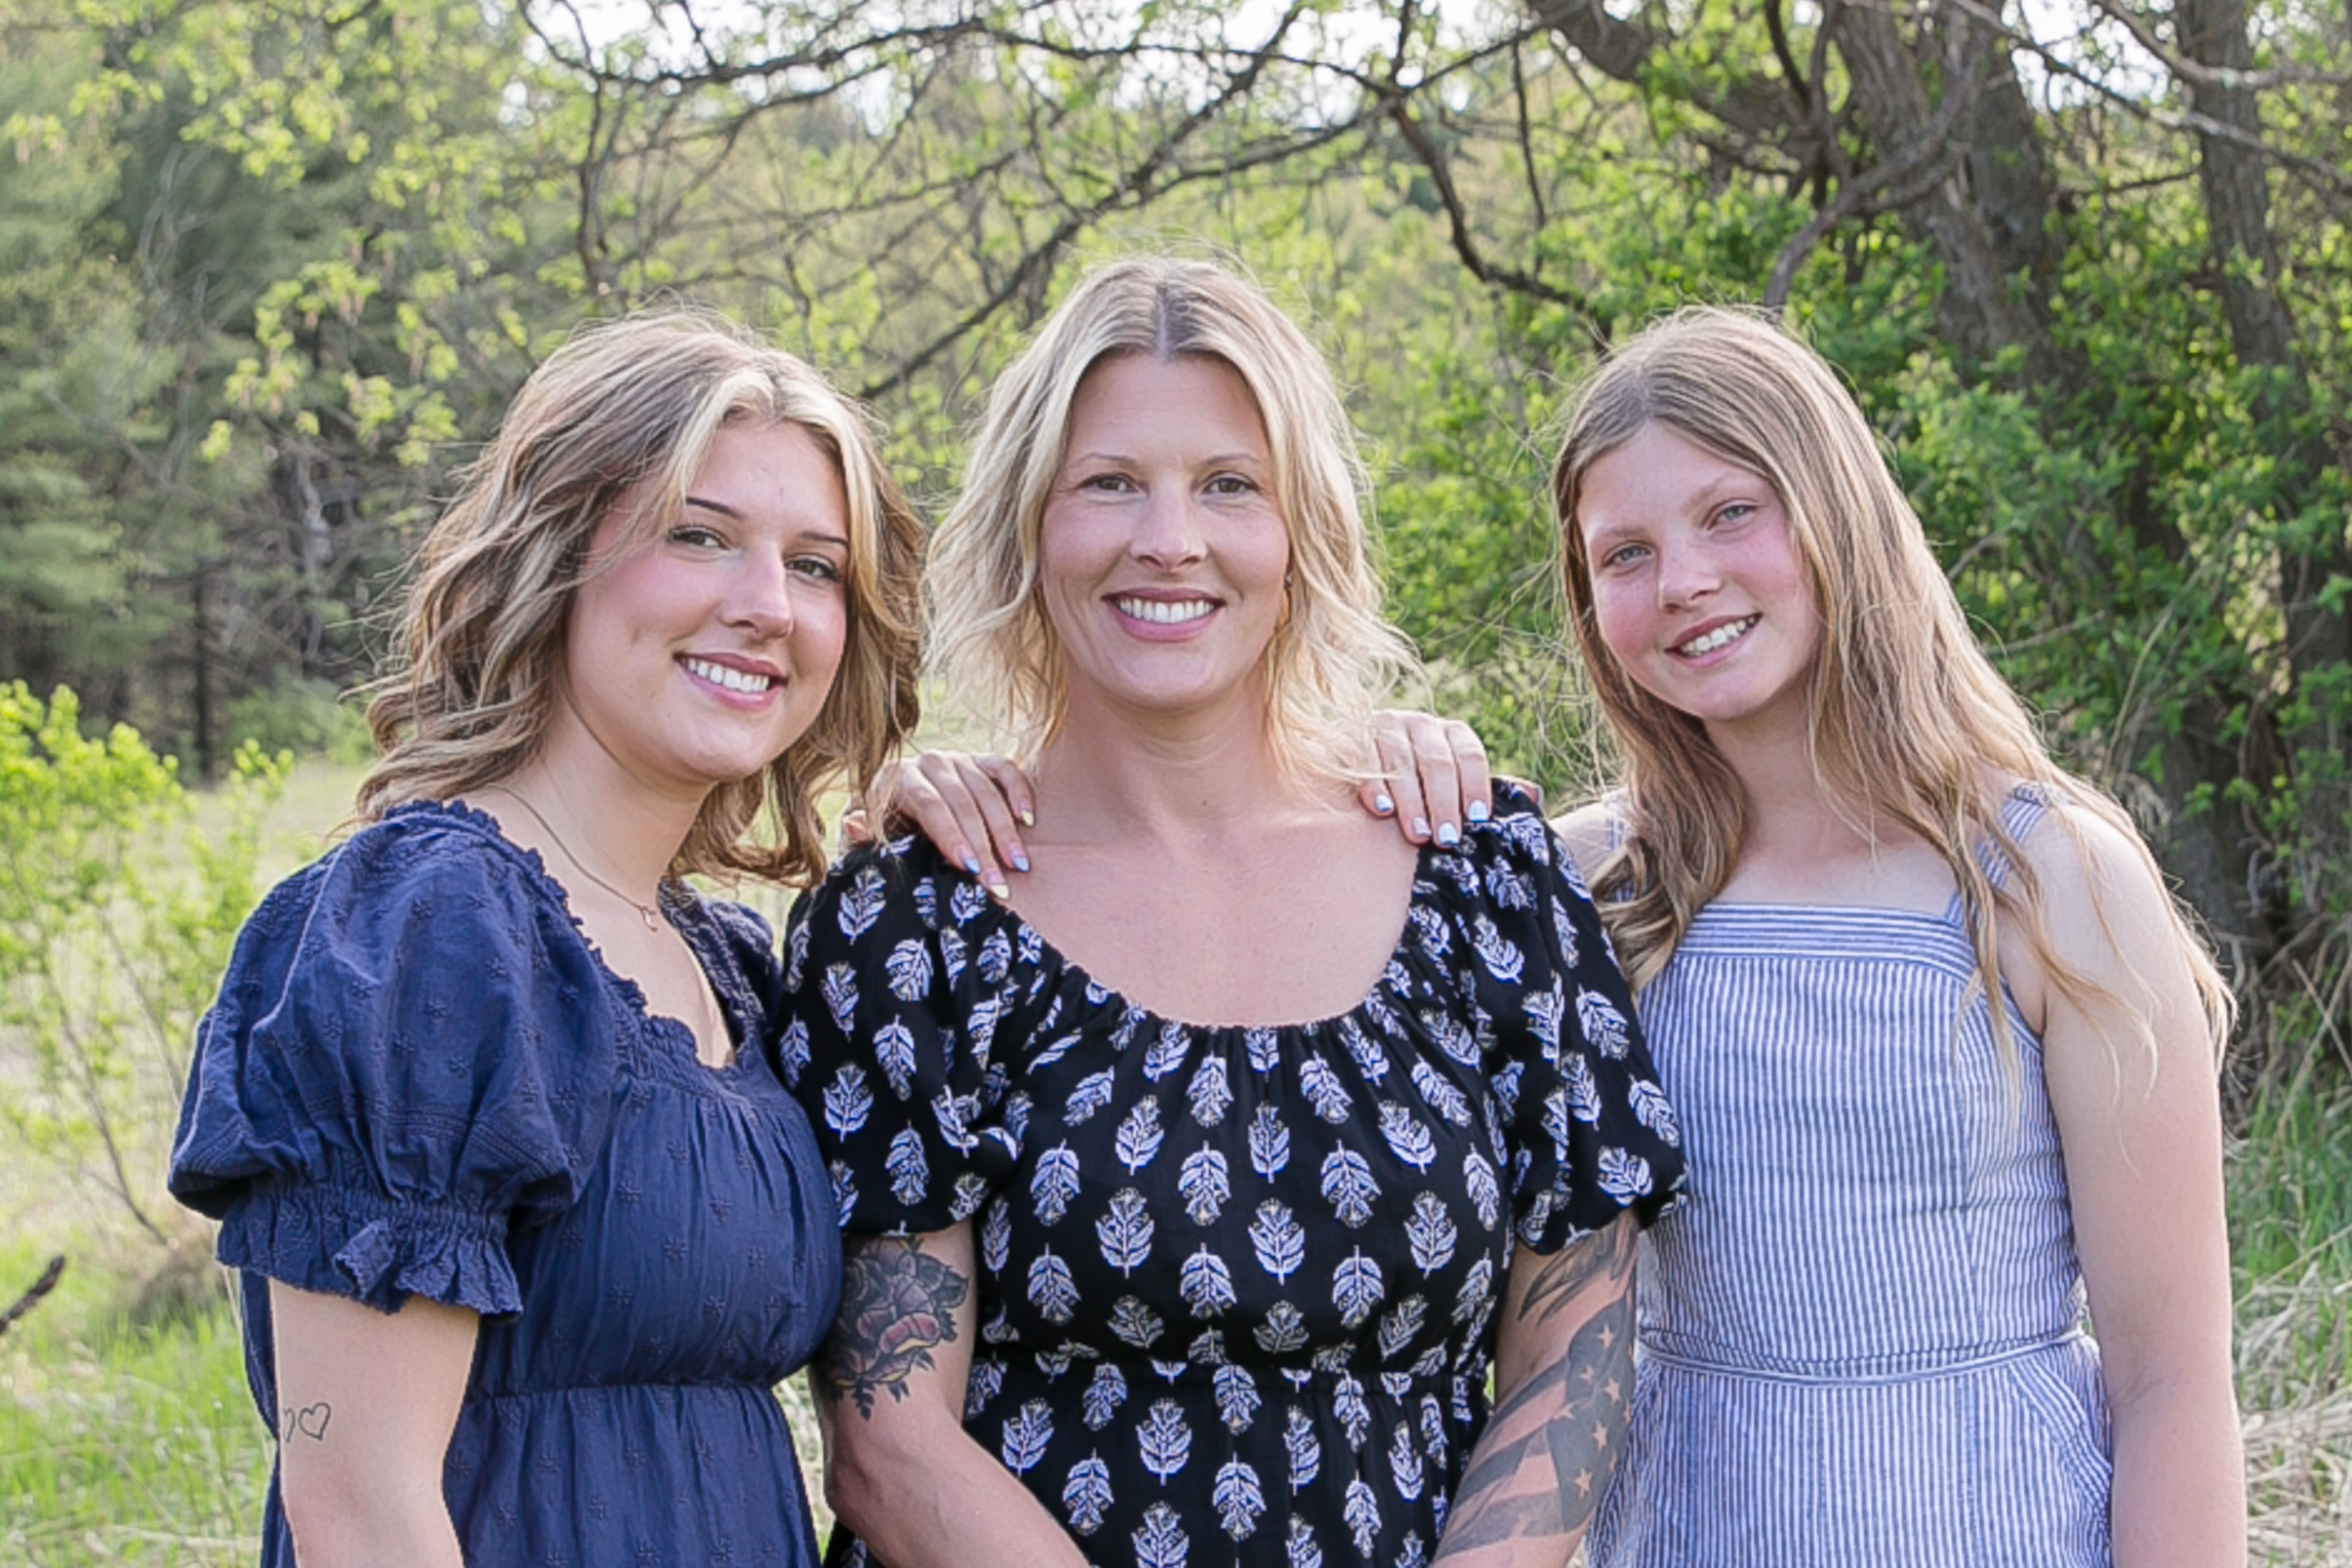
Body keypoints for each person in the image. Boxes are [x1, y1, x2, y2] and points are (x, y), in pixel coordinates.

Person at [783, 256, 1685, 1568]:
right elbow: (887, 1440)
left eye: (1228, 486)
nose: (1170, 539)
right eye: (1109, 484)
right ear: (1029, 527)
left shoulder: (1485, 878)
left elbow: (1575, 1348)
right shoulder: (916, 921)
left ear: (1301, 533)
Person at [1358, 307, 2241, 1565]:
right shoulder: (1580, 888)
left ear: (1839, 514)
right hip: (1689, 1529)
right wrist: (1376, 765)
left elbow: (2172, 1382)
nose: (1683, 582)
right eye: (1625, 554)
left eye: (1731, 514)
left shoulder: (2049, 881)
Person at [167, 312, 931, 1568]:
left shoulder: (731, 966)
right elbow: (358, 1508)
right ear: (558, 553)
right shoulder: (431, 925)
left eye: (815, 567)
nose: (767, 608)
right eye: (699, 536)